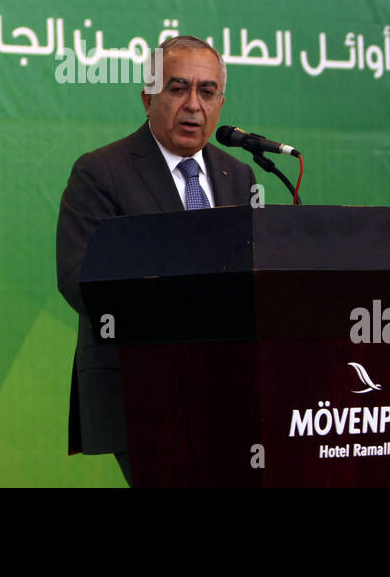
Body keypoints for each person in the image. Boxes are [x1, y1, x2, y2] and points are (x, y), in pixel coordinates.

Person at [55, 35, 255, 485]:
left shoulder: (237, 175)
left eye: (207, 92)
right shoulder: (101, 172)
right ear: (147, 97)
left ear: (221, 102)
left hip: (229, 389)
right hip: (141, 387)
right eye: (176, 88)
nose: (193, 105)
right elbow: (81, 278)